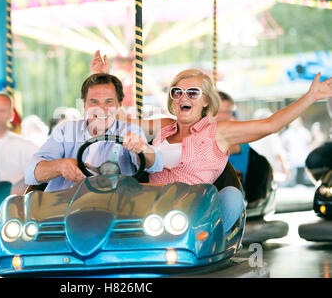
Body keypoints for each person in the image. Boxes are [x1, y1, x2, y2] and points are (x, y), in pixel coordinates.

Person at [90, 50, 332, 233]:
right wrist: (100, 78)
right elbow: (119, 119)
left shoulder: (219, 132)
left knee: (228, 200)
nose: (183, 97)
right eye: (177, 92)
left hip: (193, 214)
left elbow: (270, 125)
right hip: (152, 211)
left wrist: (310, 97)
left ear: (205, 100)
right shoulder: (164, 125)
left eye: (192, 93)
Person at [24, 73, 164, 192]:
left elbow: (156, 164)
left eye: (109, 102)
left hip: (114, 207)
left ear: (119, 105)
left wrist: (142, 149)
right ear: (84, 105)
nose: (101, 109)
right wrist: (60, 166)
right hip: (64, 207)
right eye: (94, 102)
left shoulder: (129, 130)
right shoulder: (65, 130)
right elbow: (31, 172)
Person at [0, 91, 39, 195]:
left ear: (11, 115)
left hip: (8, 207)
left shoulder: (27, 147)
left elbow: (42, 177)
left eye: (2, 111)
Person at [249, 108, 291, 184]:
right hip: (269, 170)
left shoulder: (252, 133)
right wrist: (285, 170)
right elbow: (278, 153)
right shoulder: (271, 133)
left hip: (254, 168)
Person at [217, 91, 251, 184]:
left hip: (232, 186)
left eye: (227, 112)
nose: (222, 116)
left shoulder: (239, 135)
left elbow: (226, 148)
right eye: (218, 112)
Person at [281, 117, 312, 186]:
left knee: (301, 173)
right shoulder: (287, 133)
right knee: (292, 174)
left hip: (302, 156)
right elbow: (283, 144)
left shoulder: (304, 131)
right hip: (291, 157)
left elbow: (309, 141)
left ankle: (300, 184)